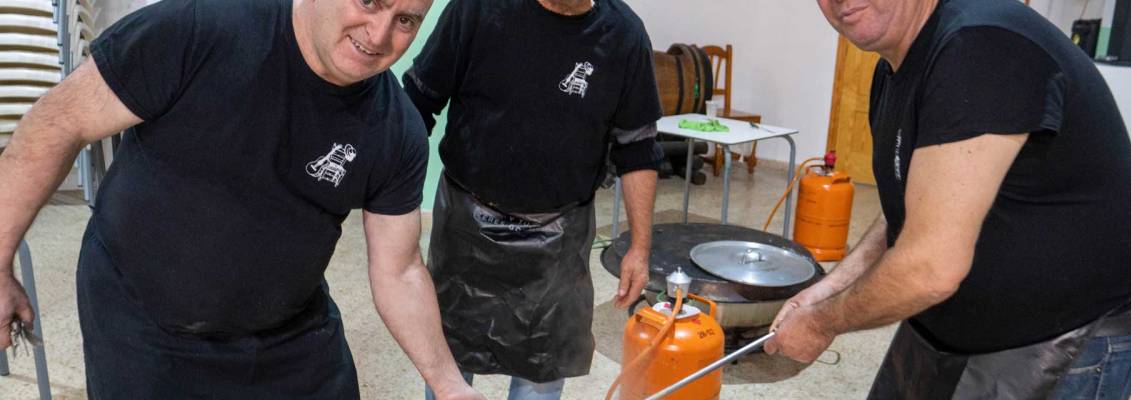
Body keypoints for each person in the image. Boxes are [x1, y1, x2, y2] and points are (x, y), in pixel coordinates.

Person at [0, 0, 483, 398]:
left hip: (288, 330)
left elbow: (400, 269)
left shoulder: (396, 129)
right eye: (370, 2)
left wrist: (448, 384)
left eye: (406, 21)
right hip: (143, 318)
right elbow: (58, 124)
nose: (378, 35)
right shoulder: (199, 28)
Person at [765, 0, 1131, 398]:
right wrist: (825, 292)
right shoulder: (896, 67)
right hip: (954, 332)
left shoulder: (980, 45)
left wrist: (822, 322)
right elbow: (915, 203)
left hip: (1067, 336)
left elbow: (930, 268)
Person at [402, 0, 663, 398]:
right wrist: (388, 202)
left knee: (542, 369)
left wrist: (639, 248)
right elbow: (417, 104)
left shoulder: (624, 35)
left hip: (559, 237)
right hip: (467, 224)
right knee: (448, 357)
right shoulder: (477, 10)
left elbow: (638, 147)